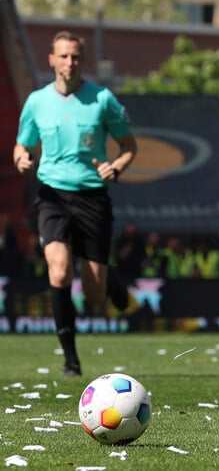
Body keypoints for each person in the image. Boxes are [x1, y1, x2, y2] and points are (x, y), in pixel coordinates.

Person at [12, 30, 136, 377]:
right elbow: (22, 146)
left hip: (93, 197)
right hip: (51, 195)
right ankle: (70, 359)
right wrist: (22, 158)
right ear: (51, 60)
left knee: (95, 294)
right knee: (60, 270)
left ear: (83, 60)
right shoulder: (37, 102)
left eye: (75, 57)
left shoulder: (103, 100)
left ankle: (107, 278)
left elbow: (129, 147)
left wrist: (117, 166)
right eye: (63, 56)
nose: (70, 62)